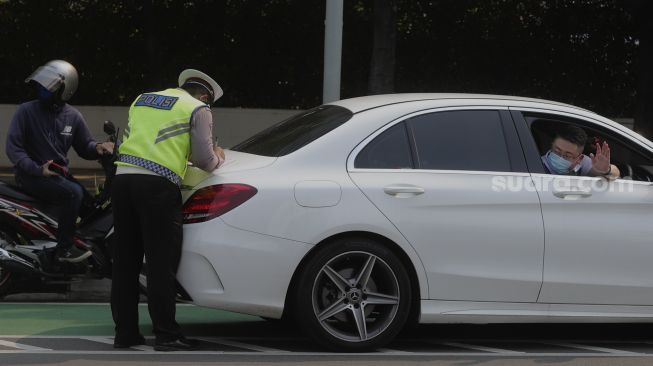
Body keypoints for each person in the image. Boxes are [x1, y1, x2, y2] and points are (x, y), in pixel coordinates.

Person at [110, 69, 225, 351]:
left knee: (125, 264)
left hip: (122, 181)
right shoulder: (197, 109)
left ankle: (125, 334)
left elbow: (129, 139)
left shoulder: (143, 99)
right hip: (157, 188)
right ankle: (167, 335)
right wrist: (219, 157)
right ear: (205, 96)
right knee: (161, 264)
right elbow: (205, 159)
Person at [5, 60, 114, 267]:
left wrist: (99, 147)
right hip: (31, 176)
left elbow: (85, 146)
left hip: (57, 175)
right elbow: (14, 149)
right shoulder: (26, 111)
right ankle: (64, 249)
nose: (41, 91)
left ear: (65, 91)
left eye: (47, 89)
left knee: (91, 207)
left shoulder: (72, 116)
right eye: (40, 87)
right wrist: (36, 169)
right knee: (73, 193)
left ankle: (89, 251)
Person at [541, 125, 620, 179]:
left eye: (567, 155)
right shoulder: (537, 163)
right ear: (551, 146)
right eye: (557, 151)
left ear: (579, 158)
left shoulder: (583, 162)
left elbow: (615, 175)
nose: (560, 157)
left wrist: (606, 170)